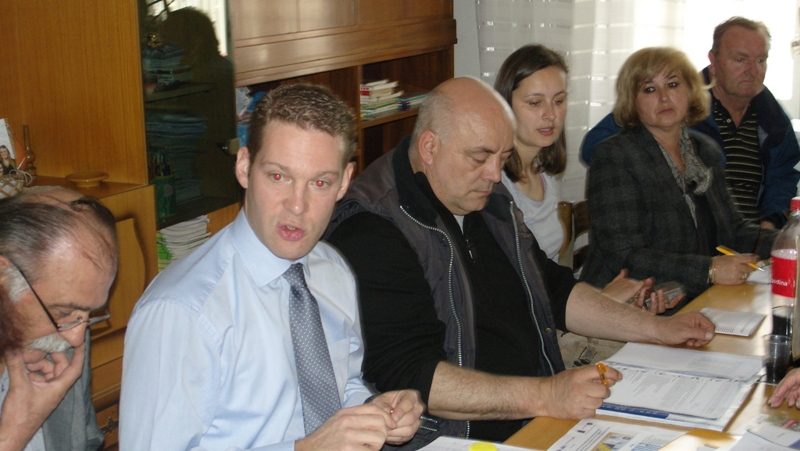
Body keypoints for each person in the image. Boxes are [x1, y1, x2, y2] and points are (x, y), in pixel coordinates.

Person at [325, 76, 716, 445]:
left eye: (504, 156)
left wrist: (657, 329)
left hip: (537, 416)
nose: (496, 174)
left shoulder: (483, 198)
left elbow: (551, 288)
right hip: (460, 438)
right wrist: (546, 395)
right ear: (429, 147)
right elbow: (412, 377)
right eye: (480, 157)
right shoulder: (374, 229)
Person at [119, 83, 424, 450]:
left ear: (344, 182)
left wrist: (374, 411)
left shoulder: (331, 269)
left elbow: (341, 387)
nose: (297, 205)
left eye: (320, 183)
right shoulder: (182, 311)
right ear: (244, 167)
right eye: (279, 177)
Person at [580, 47, 777, 304]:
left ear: (690, 91)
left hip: (694, 295)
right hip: (626, 303)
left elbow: (734, 229)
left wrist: (788, 242)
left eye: (673, 85)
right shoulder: (614, 155)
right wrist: (709, 270)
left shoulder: (704, 150)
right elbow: (624, 255)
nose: (664, 98)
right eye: (649, 89)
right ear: (632, 101)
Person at [580, 17, 800, 229]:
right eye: (740, 60)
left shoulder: (772, 118)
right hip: (682, 238)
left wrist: (770, 225)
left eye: (760, 60)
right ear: (713, 61)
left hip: (746, 236)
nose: (752, 71)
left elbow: (783, 177)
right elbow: (595, 148)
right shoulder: (675, 100)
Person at [0, 187, 118, 451]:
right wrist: (12, 437)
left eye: (89, 315)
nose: (76, 338)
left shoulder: (65, 336)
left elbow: (88, 444)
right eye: (63, 312)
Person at [494, 45, 568, 262]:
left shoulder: (543, 170)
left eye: (558, 101)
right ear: (506, 105)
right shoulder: (496, 184)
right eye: (535, 103)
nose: (551, 115)